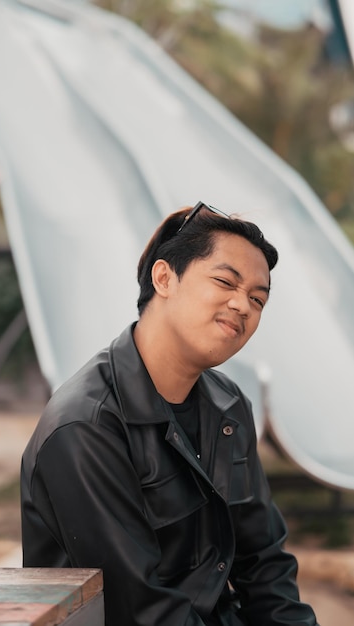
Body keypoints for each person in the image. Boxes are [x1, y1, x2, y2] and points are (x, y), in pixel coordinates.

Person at [21, 202, 319, 626]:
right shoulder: (85, 426)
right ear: (164, 278)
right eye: (225, 281)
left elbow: (265, 564)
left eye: (257, 298)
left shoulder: (229, 405)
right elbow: (139, 608)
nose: (243, 306)